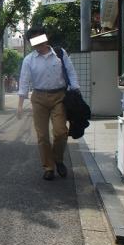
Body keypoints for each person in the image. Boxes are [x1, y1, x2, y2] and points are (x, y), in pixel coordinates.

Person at [16, 27, 81, 181]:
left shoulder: (60, 53)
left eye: (40, 37)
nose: (38, 42)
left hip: (59, 96)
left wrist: (76, 89)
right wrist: (20, 105)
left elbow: (71, 72)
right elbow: (24, 81)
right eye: (34, 40)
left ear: (46, 37)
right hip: (38, 98)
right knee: (42, 136)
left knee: (60, 132)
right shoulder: (29, 60)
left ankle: (58, 159)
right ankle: (49, 167)